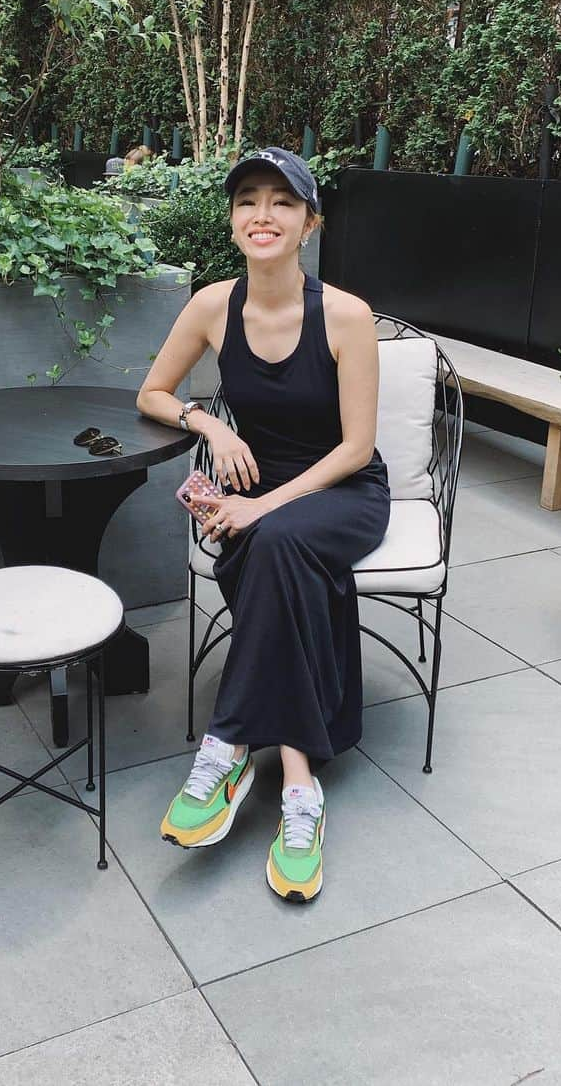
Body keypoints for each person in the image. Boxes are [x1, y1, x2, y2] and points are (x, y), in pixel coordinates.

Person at [136, 147, 390, 903]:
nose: (263, 215)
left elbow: (356, 448)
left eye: (282, 202)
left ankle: (231, 745)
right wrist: (209, 428)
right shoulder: (213, 305)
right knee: (271, 555)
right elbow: (152, 392)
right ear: (232, 219)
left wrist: (257, 507)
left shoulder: (345, 315)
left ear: (309, 224)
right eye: (248, 199)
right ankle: (302, 786)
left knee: (268, 543)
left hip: (341, 492)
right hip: (261, 490)